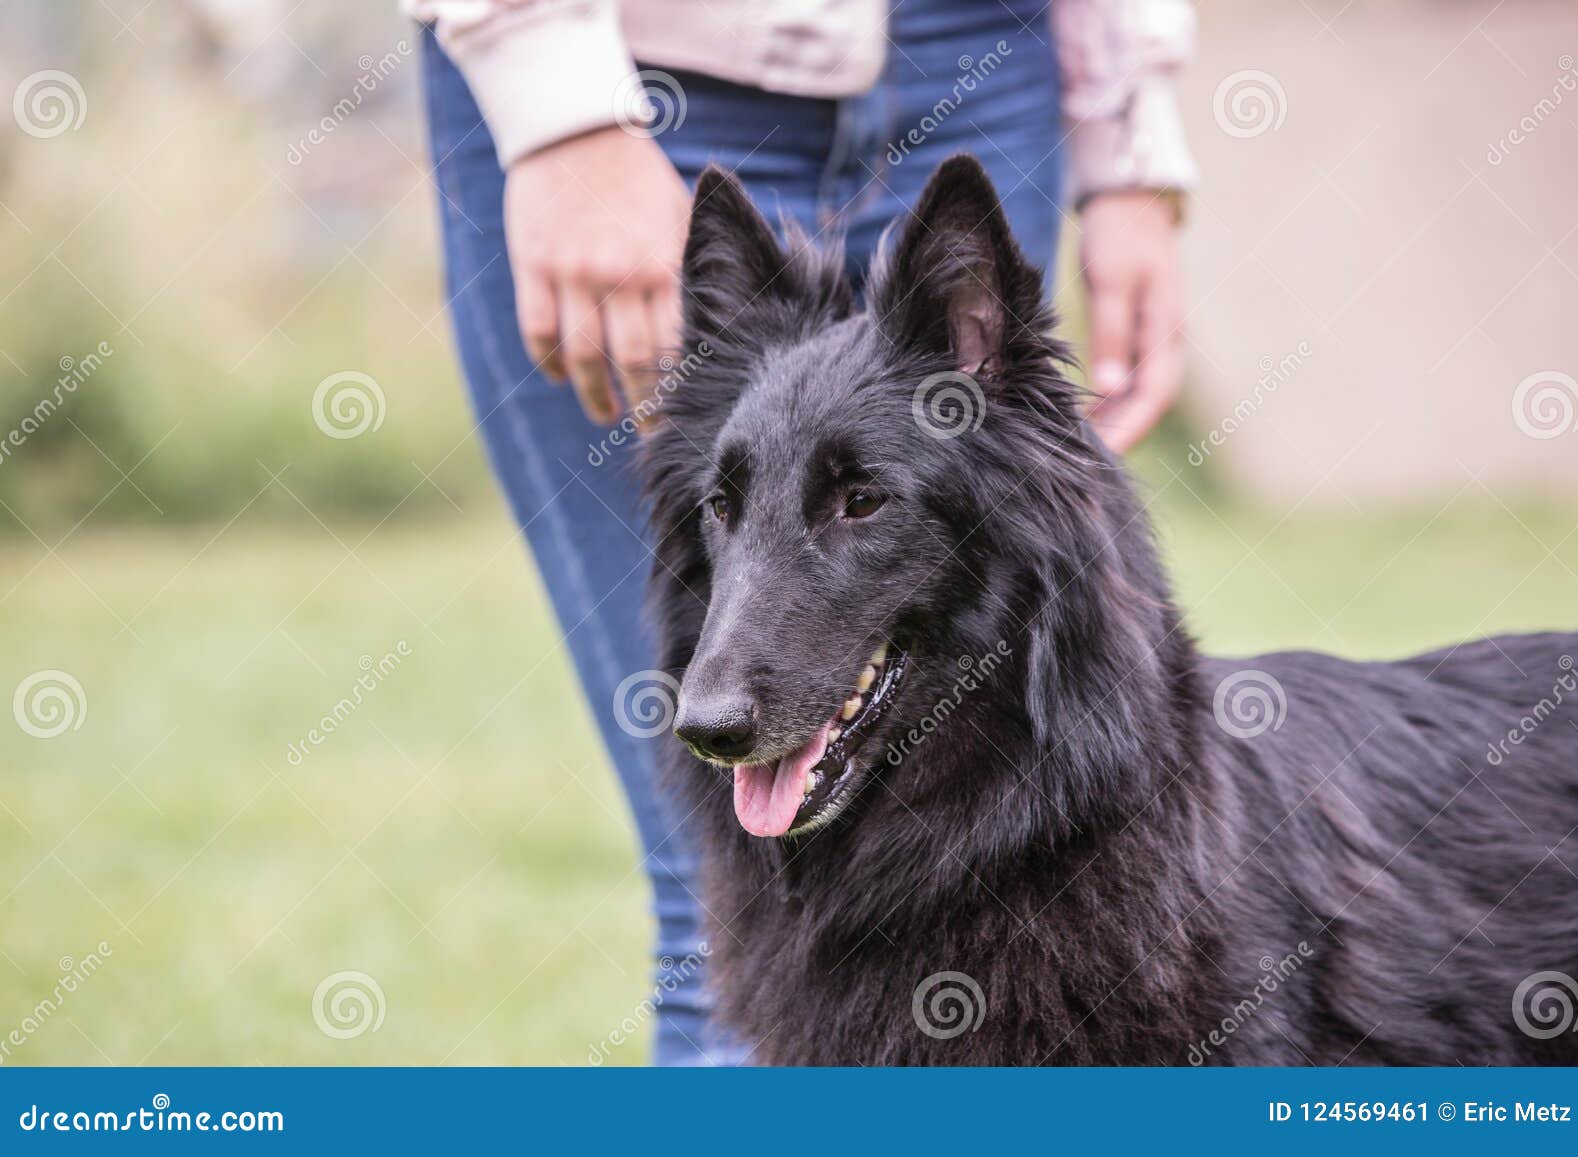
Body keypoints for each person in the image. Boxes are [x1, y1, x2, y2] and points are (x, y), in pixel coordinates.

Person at [408, 0, 1197, 1064]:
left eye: (855, 505)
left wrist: (1130, 140)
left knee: (1046, 871)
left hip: (981, 48)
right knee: (728, 894)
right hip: (641, 74)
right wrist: (556, 103)